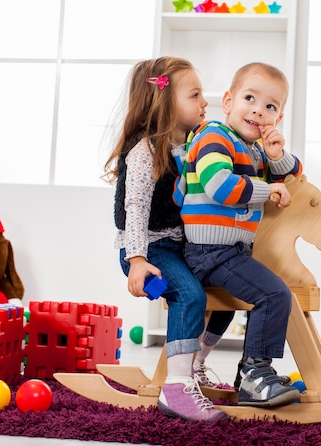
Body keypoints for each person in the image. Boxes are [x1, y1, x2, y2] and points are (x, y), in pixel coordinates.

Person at [103, 56, 226, 422]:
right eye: (195, 95)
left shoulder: (193, 145)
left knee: (230, 291)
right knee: (190, 295)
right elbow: (136, 210)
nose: (205, 102)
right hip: (149, 247)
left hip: (181, 245)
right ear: (165, 103)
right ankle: (176, 390)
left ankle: (194, 366)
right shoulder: (144, 152)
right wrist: (137, 259)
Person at [179, 62, 303, 407]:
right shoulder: (214, 136)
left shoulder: (253, 149)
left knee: (234, 306)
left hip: (231, 251)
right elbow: (219, 186)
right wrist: (269, 191)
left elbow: (293, 171)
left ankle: (217, 368)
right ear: (229, 101)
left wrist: (276, 154)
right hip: (209, 250)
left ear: (278, 118)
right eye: (250, 98)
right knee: (275, 294)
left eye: (271, 107)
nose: (258, 110)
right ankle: (254, 371)